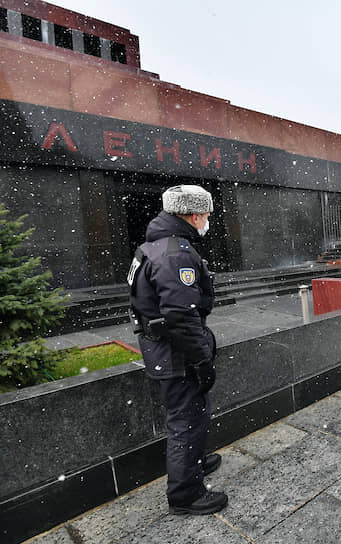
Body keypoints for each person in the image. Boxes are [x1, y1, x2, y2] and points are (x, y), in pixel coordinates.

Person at [128, 184, 227, 515]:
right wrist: (201, 359)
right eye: (208, 215)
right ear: (195, 214)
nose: (208, 221)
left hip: (163, 347)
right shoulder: (177, 253)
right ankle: (185, 494)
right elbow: (181, 316)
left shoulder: (154, 245)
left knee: (191, 415)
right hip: (176, 352)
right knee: (186, 419)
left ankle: (193, 462)